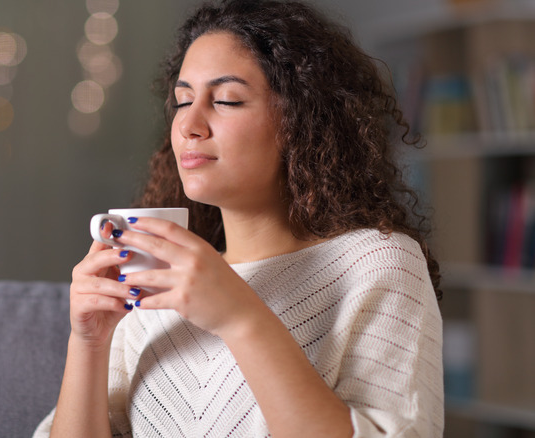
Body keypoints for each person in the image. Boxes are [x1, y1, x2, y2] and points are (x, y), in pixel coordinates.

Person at [34, 0, 443, 436]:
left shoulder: (377, 264)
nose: (189, 124)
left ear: (301, 120)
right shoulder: (151, 285)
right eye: (183, 100)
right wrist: (89, 343)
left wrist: (239, 316)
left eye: (227, 100)